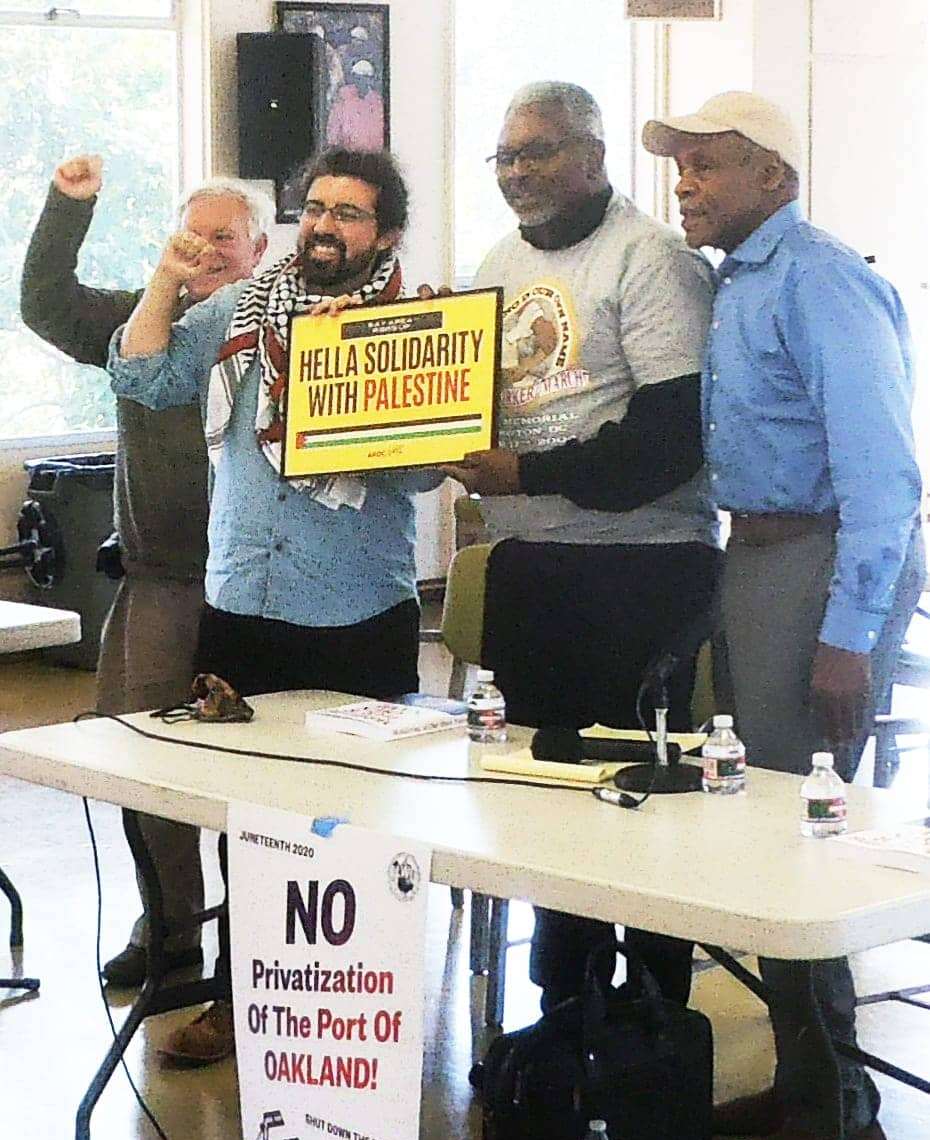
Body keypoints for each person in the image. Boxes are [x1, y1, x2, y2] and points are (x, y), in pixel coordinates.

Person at [643, 90, 924, 1140]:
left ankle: (843, 1111)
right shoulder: (742, 279)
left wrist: (849, 635)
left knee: (803, 837)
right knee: (765, 830)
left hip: (821, 559)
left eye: (708, 165)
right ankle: (808, 1080)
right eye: (681, 166)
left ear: (774, 175)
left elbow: (887, 479)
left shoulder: (820, 279)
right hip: (759, 555)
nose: (686, 183)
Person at [109, 147, 443, 1064]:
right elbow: (142, 378)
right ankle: (239, 1000)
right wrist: (166, 281)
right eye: (318, 208)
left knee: (352, 828)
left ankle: (349, 1016)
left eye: (351, 213)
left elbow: (421, 470)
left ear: (388, 234)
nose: (328, 226)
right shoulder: (238, 309)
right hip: (240, 597)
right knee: (247, 821)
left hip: (353, 612)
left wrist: (348, 377)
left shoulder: (410, 327)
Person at [442, 83, 722, 1013]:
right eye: (507, 157)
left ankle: (648, 1039)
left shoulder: (652, 261)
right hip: (535, 576)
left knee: (636, 819)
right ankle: (559, 1032)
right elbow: (476, 407)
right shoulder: (495, 261)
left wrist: (525, 475)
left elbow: (669, 438)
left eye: (541, 152)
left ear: (595, 157)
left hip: (640, 573)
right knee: (542, 815)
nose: (520, 172)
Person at [20, 157, 271, 989]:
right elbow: (46, 303)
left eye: (224, 238)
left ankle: (258, 947)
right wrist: (71, 204)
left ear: (259, 248)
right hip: (158, 580)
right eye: (190, 235)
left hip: (257, 586)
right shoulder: (140, 319)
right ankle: (168, 930)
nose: (205, 250)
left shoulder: (281, 324)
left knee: (251, 779)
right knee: (143, 760)